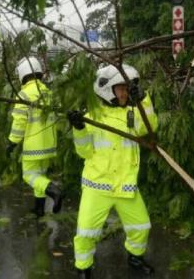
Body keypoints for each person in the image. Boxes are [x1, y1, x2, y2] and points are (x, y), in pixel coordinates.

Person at [67, 64, 158, 278]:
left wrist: (143, 99)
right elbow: (84, 152)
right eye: (121, 88)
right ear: (107, 90)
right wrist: (78, 129)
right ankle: (83, 267)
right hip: (96, 185)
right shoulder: (92, 116)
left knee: (141, 226)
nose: (125, 92)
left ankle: (135, 257)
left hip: (125, 185)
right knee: (86, 232)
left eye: (128, 88)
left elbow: (149, 126)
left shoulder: (132, 114)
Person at [7, 56, 62, 217]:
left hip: (33, 146)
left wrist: (12, 142)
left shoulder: (24, 94)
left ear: (22, 74)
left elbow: (19, 122)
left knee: (29, 176)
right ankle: (39, 209)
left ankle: (54, 191)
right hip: (49, 145)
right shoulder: (48, 92)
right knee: (40, 176)